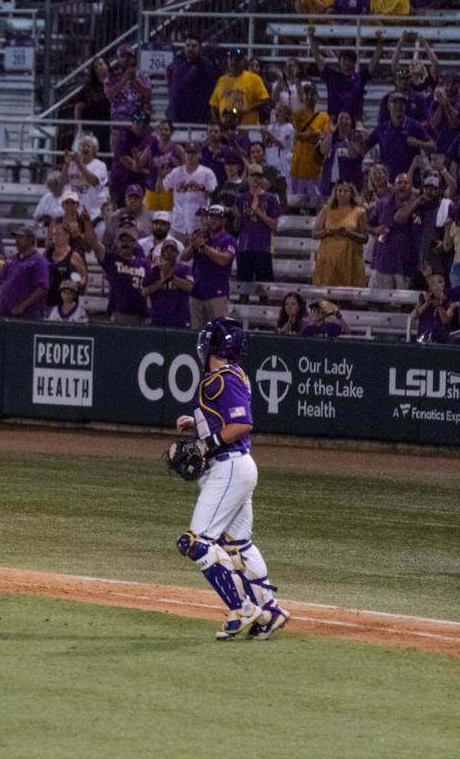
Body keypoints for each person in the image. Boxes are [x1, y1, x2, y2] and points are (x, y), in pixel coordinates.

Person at [173, 317, 288, 640]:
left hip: (229, 468)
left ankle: (244, 609)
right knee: (239, 544)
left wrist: (203, 443)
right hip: (238, 465)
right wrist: (198, 426)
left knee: (194, 542)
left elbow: (241, 423)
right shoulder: (234, 375)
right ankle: (270, 610)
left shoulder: (221, 378)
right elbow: (225, 420)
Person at [181, 204, 236, 329]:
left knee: (218, 333)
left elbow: (223, 260)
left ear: (224, 220)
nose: (213, 220)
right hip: (197, 293)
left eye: (217, 217)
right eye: (211, 217)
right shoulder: (201, 236)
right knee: (196, 334)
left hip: (217, 294)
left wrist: (204, 247)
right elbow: (184, 257)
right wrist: (192, 245)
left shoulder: (228, 240)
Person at [85, 225, 149, 326]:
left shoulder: (144, 264)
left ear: (134, 243)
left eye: (128, 240)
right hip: (121, 313)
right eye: (122, 240)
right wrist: (87, 222)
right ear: (117, 243)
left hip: (142, 315)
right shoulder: (112, 260)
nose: (125, 243)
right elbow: (94, 243)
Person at [312, 181, 369, 286]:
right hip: (328, 257)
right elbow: (315, 234)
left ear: (351, 194)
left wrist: (349, 234)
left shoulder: (359, 212)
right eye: (340, 191)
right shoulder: (326, 210)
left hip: (351, 258)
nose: (342, 194)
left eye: (346, 191)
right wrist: (328, 232)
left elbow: (365, 238)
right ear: (335, 192)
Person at [235, 164, 281, 282]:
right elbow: (237, 228)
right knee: (242, 286)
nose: (255, 179)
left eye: (258, 176)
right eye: (252, 175)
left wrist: (258, 212)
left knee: (264, 287)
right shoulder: (240, 199)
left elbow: (274, 226)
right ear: (247, 178)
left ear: (262, 178)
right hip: (245, 247)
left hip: (263, 248)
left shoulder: (270, 198)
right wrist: (238, 216)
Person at [162, 146, 218, 238]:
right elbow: (160, 189)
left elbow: (214, 194)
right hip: (178, 225)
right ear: (184, 154)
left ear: (200, 155)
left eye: (194, 153)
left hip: (199, 225)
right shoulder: (176, 172)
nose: (190, 156)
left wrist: (201, 187)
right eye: (188, 153)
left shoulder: (207, 172)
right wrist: (160, 177)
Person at [0, 226, 49, 319]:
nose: (17, 240)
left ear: (31, 239)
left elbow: (42, 288)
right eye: (16, 237)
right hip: (6, 313)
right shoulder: (12, 260)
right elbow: (2, 283)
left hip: (27, 315)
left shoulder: (38, 261)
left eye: (21, 237)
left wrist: (23, 305)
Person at [166, 35, 218, 127]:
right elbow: (168, 73)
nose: (190, 49)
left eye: (194, 46)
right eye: (188, 45)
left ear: (199, 48)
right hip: (178, 112)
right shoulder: (177, 63)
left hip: (199, 113)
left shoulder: (207, 65)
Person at [209, 49, 270, 127]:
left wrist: (247, 108)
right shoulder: (222, 80)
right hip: (226, 129)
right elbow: (214, 104)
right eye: (231, 59)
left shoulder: (254, 78)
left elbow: (265, 101)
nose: (233, 62)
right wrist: (217, 123)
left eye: (237, 59)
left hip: (248, 127)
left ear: (243, 62)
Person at [290, 83, 331, 197]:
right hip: (297, 166)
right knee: (296, 202)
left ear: (317, 97)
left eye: (312, 93)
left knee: (314, 203)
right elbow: (296, 135)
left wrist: (306, 136)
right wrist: (313, 134)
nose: (309, 96)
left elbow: (324, 136)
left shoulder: (323, 117)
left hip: (315, 167)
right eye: (307, 93)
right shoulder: (297, 115)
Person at [143, 241, 193, 328]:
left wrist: (172, 277)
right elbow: (144, 292)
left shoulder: (184, 269)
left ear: (177, 253)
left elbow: (190, 287)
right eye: (166, 251)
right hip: (158, 319)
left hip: (180, 319)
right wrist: (161, 282)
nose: (169, 254)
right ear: (162, 254)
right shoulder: (155, 271)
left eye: (172, 251)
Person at [412, 272, 458, 343]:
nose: (443, 284)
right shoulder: (423, 298)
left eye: (443, 282)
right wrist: (427, 303)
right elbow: (414, 316)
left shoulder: (448, 300)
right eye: (439, 282)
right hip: (423, 338)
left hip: (441, 340)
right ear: (430, 285)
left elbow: (445, 320)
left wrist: (440, 305)